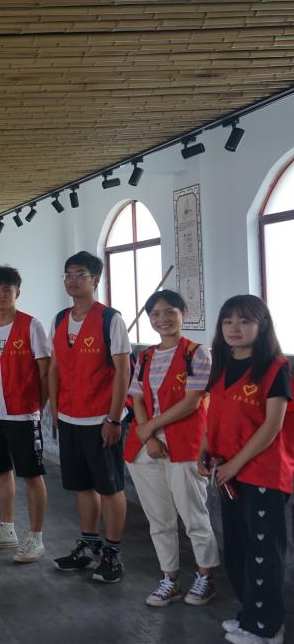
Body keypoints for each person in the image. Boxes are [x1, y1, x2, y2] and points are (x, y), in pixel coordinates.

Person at [201, 295, 292, 644]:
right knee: (238, 550)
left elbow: (271, 426)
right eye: (228, 321)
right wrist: (205, 448)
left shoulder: (274, 368)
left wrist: (236, 464)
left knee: (263, 552)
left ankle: (267, 629)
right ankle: (251, 616)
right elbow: (215, 413)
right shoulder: (222, 364)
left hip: (263, 473)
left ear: (262, 325)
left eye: (244, 320)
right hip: (229, 472)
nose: (234, 328)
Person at [123, 290, 219, 607]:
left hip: (184, 445)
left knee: (194, 516)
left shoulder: (197, 353)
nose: (162, 319)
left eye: (169, 312)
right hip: (146, 448)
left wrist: (149, 426)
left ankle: (205, 577)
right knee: (159, 519)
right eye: (155, 314)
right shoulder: (145, 356)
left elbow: (192, 402)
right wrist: (148, 436)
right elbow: (137, 397)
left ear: (183, 314)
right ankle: (170, 579)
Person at [48, 251, 131, 583]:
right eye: (68, 274)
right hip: (69, 416)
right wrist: (54, 409)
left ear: (96, 279)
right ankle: (88, 544)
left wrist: (114, 419)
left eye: (80, 274)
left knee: (109, 487)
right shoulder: (60, 319)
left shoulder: (111, 319)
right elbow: (55, 367)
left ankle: (112, 553)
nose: (72, 280)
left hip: (101, 418)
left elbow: (123, 371)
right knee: (81, 486)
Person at [0, 266, 51, 564]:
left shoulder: (31, 325)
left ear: (18, 292)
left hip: (22, 414)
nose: (1, 295)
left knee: (31, 475)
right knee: (0, 471)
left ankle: (36, 538)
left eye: (7, 289)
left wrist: (39, 408)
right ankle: (7, 530)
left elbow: (45, 372)